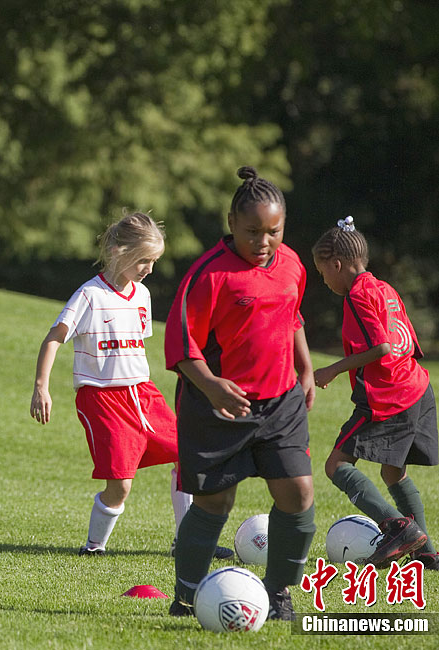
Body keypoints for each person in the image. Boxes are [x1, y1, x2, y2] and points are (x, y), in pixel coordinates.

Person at [29, 212, 231, 559]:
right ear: (119, 251)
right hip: (103, 399)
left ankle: (188, 541)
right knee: (120, 484)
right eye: (143, 261)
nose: (149, 269)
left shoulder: (142, 295)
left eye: (153, 261)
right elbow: (54, 338)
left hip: (143, 393)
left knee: (188, 457)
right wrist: (41, 386)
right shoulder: (89, 295)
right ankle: (94, 547)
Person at [164, 167, 317, 621]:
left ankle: (278, 593)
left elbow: (293, 316)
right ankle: (187, 597)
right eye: (253, 231)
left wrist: (305, 368)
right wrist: (212, 386)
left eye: (274, 231)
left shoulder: (291, 263)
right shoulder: (208, 276)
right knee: (216, 502)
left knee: (299, 493)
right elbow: (180, 349)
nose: (264, 241)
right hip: (216, 409)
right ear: (231, 222)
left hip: (281, 402)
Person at [312, 216, 437, 569]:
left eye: (323, 273)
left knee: (336, 464)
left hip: (389, 397)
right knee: (392, 472)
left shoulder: (356, 295)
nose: (325, 281)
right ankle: (425, 552)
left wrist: (334, 369)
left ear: (336, 264)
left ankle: (398, 527)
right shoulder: (384, 287)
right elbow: (407, 342)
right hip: (417, 388)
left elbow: (382, 347)